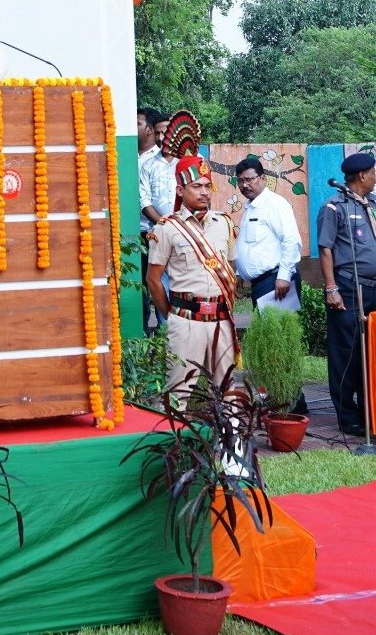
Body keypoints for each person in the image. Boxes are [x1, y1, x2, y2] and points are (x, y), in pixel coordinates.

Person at [146, 148, 237, 400]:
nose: (204, 192)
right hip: (185, 320)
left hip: (220, 318)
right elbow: (153, 280)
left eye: (208, 186)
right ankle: (175, 440)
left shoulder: (224, 223)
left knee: (227, 390)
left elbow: (230, 271)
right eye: (197, 186)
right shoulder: (167, 228)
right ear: (180, 191)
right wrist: (173, 315)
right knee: (179, 390)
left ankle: (229, 439)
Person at [317, 151, 376, 438]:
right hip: (350, 288)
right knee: (347, 351)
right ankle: (347, 416)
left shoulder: (374, 204)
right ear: (362, 175)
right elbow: (325, 249)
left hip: (374, 287)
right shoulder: (334, 207)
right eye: (374, 171)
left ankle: (370, 410)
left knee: (372, 352)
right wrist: (331, 288)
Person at [233, 156, 303, 308]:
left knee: (278, 331)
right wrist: (239, 273)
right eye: (240, 180)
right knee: (266, 330)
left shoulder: (275, 204)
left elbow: (291, 240)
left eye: (250, 179)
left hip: (275, 281)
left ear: (263, 178)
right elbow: (252, 244)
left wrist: (284, 276)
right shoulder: (250, 207)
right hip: (261, 283)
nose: (245, 185)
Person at [137, 107, 174, 329]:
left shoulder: (190, 160)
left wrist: (178, 227)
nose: (162, 138)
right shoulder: (148, 165)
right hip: (152, 232)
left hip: (185, 234)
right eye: (159, 133)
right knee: (156, 283)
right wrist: (164, 224)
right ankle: (163, 337)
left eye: (166, 133)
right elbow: (144, 200)